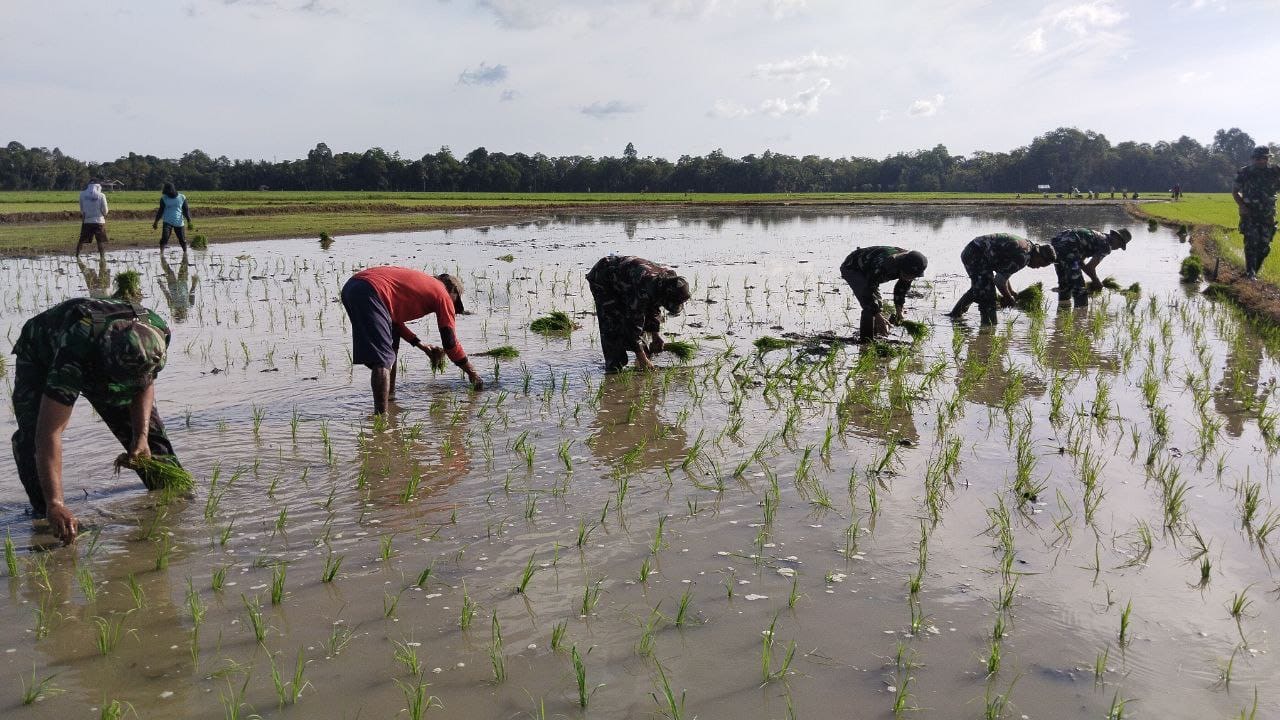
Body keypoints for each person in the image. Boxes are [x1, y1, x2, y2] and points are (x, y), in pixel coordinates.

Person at [10, 273, 178, 541]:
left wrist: (141, 437)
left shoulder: (157, 330)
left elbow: (143, 384)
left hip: (108, 355)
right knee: (32, 438)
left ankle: (172, 501)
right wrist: (56, 502)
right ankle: (48, 517)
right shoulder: (76, 350)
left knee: (151, 446)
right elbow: (49, 432)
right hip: (41, 352)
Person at [340, 266, 482, 414]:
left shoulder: (423, 284)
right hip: (372, 291)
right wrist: (473, 374)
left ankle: (389, 397)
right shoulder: (443, 294)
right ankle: (381, 420)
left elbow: (394, 323)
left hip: (352, 288)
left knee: (391, 345)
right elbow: (450, 342)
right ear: (453, 291)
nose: (453, 305)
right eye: (456, 301)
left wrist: (422, 346)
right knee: (382, 360)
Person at [586, 255, 691, 372]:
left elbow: (653, 306)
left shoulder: (668, 281)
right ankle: (614, 367)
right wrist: (642, 359)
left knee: (639, 317)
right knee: (612, 322)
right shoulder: (644, 286)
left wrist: (656, 336)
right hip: (604, 278)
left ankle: (643, 353)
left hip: (627, 282)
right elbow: (633, 323)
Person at [946, 233, 1056, 325]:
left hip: (976, 250)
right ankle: (988, 328)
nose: (1037, 268)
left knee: (980, 288)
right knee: (988, 296)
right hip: (975, 254)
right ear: (1039, 255)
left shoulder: (1027, 247)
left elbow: (1004, 272)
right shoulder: (1023, 256)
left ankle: (955, 315)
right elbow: (999, 280)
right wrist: (1008, 297)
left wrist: (1011, 292)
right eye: (1040, 264)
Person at [838, 246, 928, 341]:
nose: (909, 278)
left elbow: (901, 288)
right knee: (870, 307)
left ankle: (877, 335)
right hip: (853, 268)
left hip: (871, 273)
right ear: (901, 266)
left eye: (912, 277)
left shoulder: (911, 264)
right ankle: (866, 342)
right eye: (906, 274)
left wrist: (899, 311)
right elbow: (868, 290)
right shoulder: (885, 264)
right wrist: (877, 315)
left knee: (877, 306)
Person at [1048, 228, 1132, 308]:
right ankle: (1080, 319)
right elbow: (1090, 267)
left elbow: (1080, 262)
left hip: (1057, 244)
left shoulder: (1097, 237)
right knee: (1080, 290)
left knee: (1065, 285)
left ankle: (1062, 313)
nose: (1118, 248)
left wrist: (1093, 279)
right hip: (1069, 247)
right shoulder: (1106, 245)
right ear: (1115, 237)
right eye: (1120, 244)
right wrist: (1097, 282)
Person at [1233, 146, 1280, 279]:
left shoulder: (1275, 172)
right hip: (1250, 214)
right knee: (1251, 242)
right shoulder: (1244, 172)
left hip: (1268, 215)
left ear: (1268, 158)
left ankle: (1254, 272)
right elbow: (1235, 192)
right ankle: (1250, 273)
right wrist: (1241, 206)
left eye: (1264, 158)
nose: (1261, 161)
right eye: (1258, 158)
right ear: (1253, 159)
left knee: (1265, 248)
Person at [153, 182, 194, 252]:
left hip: (179, 222)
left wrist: (189, 221)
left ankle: (185, 253)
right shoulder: (164, 199)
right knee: (164, 238)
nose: (166, 194)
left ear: (171, 190)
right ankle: (161, 253)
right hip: (167, 222)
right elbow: (160, 211)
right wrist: (156, 222)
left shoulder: (182, 197)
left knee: (182, 240)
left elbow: (186, 210)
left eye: (167, 192)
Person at [76, 179, 110, 257]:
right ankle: (102, 257)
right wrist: (104, 215)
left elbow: (82, 209)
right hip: (99, 222)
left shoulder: (82, 194)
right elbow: (105, 210)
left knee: (82, 240)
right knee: (100, 241)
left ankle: (77, 255)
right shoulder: (101, 195)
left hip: (87, 221)